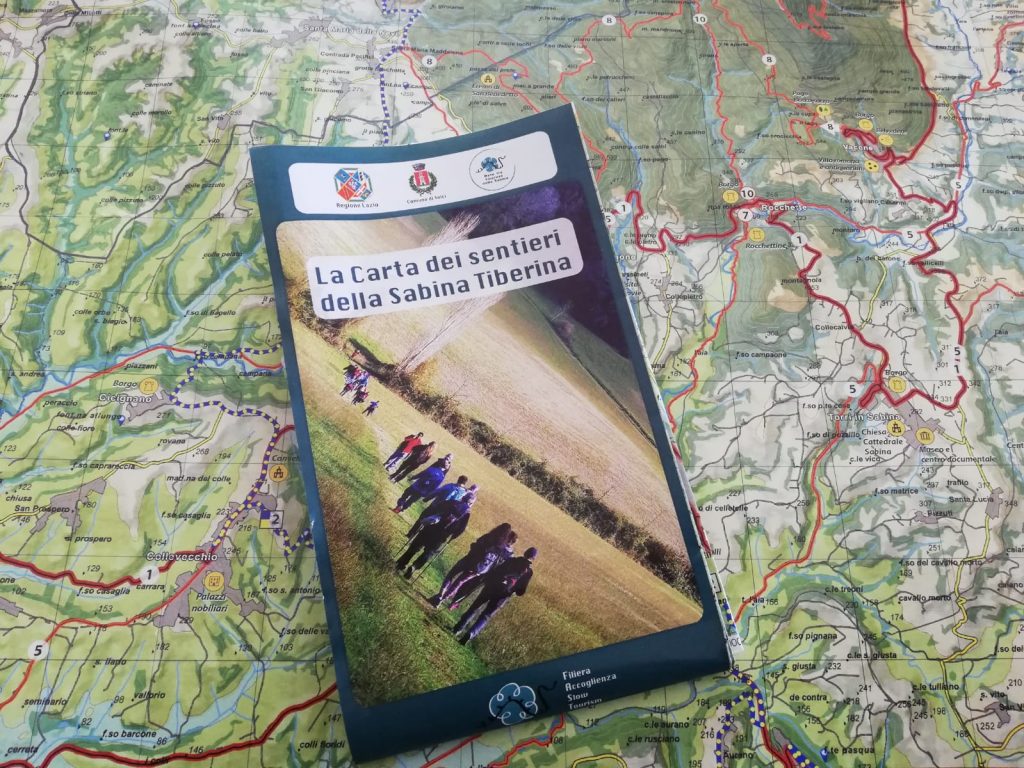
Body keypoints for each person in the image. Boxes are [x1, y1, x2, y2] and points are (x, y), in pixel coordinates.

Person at [453, 547, 537, 644]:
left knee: (475, 607)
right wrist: (512, 590)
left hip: (492, 586)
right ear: (533, 559)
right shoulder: (528, 573)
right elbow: (521, 592)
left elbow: (496, 571)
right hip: (502, 596)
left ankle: (458, 628)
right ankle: (471, 633)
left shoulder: (512, 560)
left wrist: (487, 580)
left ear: (525, 553)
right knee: (486, 616)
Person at [429, 524, 515, 608]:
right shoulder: (502, 548)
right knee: (459, 582)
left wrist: (473, 547)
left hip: (469, 560)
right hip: (479, 569)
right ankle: (442, 600)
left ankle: (440, 595)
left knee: (451, 574)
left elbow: (476, 545)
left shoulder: (488, 537)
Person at [395, 492, 475, 579]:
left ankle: (401, 563)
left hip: (430, 527)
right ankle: (414, 566)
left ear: (463, 497)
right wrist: (452, 537)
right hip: (442, 536)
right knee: (428, 553)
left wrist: (428, 518)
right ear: (471, 503)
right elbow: (461, 529)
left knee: (415, 546)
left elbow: (436, 508)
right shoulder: (466, 513)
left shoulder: (452, 502)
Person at [407, 474, 468, 539]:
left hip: (435, 506)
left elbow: (437, 492)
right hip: (445, 513)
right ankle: (420, 537)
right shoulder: (464, 493)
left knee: (422, 518)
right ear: (465, 483)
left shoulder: (449, 486)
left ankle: (411, 533)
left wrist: (427, 498)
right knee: (431, 525)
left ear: (458, 480)